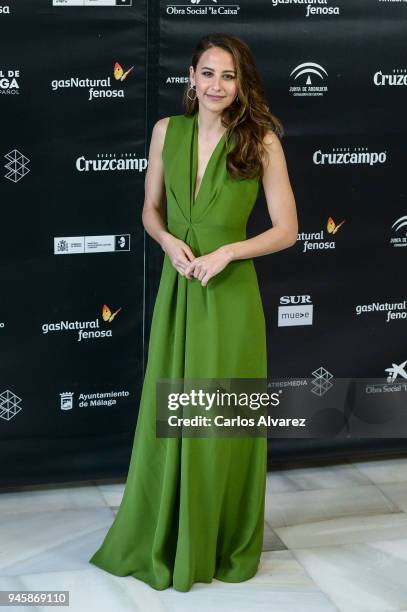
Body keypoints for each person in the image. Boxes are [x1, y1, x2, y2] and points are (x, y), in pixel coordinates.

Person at [89, 32, 298, 592]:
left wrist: (228, 249)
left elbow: (287, 230)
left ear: (241, 83)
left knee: (220, 420)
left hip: (230, 293)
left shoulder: (262, 142)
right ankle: (166, 532)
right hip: (178, 285)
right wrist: (166, 243)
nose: (217, 85)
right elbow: (149, 210)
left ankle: (220, 539)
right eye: (208, 73)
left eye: (228, 76)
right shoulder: (168, 132)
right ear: (191, 76)